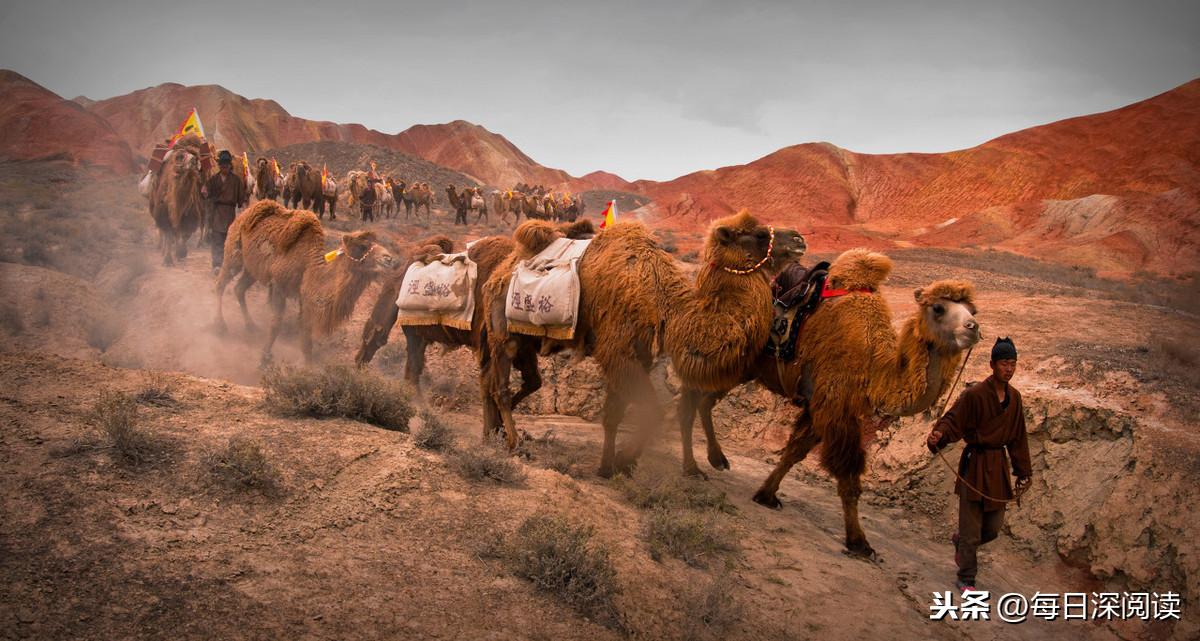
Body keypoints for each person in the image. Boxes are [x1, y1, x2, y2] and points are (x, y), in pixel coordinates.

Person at [926, 337, 1032, 592]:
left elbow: (1018, 437)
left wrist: (1023, 471)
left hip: (998, 467)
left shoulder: (1015, 399)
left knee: (993, 528)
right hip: (975, 465)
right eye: (1004, 363)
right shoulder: (974, 394)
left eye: (1013, 364)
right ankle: (966, 577)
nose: (1009, 369)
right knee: (971, 529)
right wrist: (939, 436)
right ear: (992, 365)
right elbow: (953, 419)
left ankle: (961, 543)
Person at [202, 150, 248, 272]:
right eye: (222, 165)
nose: (224, 167)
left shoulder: (236, 181)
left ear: (230, 165)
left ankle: (227, 265)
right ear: (219, 166)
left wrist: (244, 211)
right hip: (216, 212)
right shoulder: (213, 179)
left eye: (226, 165)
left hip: (230, 213)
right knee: (217, 238)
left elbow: (241, 199)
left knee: (229, 241)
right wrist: (205, 192)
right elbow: (206, 194)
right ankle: (216, 265)